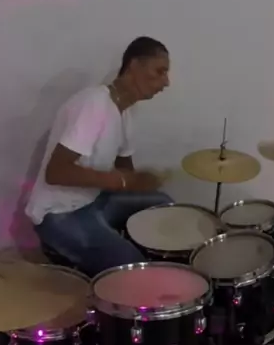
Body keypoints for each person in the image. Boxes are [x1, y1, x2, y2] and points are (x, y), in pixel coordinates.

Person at [26, 37, 172, 277]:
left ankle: (120, 249)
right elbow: (56, 172)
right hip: (59, 213)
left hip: (94, 201)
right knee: (133, 269)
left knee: (164, 206)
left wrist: (142, 181)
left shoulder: (127, 111)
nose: (166, 82)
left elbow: (126, 171)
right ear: (134, 65)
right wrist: (122, 181)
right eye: (160, 71)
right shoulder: (93, 104)